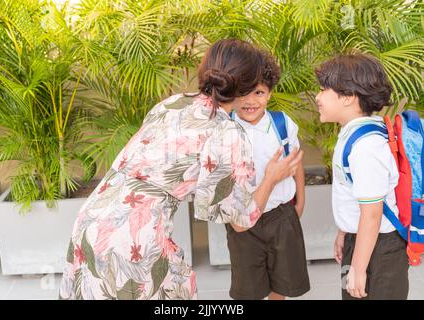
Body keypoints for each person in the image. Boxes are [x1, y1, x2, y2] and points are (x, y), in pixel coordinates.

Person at [58, 39, 303, 300]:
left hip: (92, 219)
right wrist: (272, 177)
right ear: (245, 86)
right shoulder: (227, 132)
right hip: (133, 236)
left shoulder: (172, 103)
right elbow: (241, 222)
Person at [315, 53, 409, 300]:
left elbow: (372, 214)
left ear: (348, 97)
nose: (318, 97)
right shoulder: (356, 133)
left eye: (324, 90)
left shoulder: (366, 147)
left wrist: (357, 269)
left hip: (379, 249)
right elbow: (356, 198)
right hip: (364, 240)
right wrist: (345, 231)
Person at [225, 52, 310, 300]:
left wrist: (299, 203)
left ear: (270, 93)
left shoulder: (282, 123)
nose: (250, 101)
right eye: (242, 92)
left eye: (259, 93)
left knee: (282, 281)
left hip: (280, 215)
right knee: (248, 286)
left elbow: (296, 163)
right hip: (242, 220)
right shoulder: (225, 128)